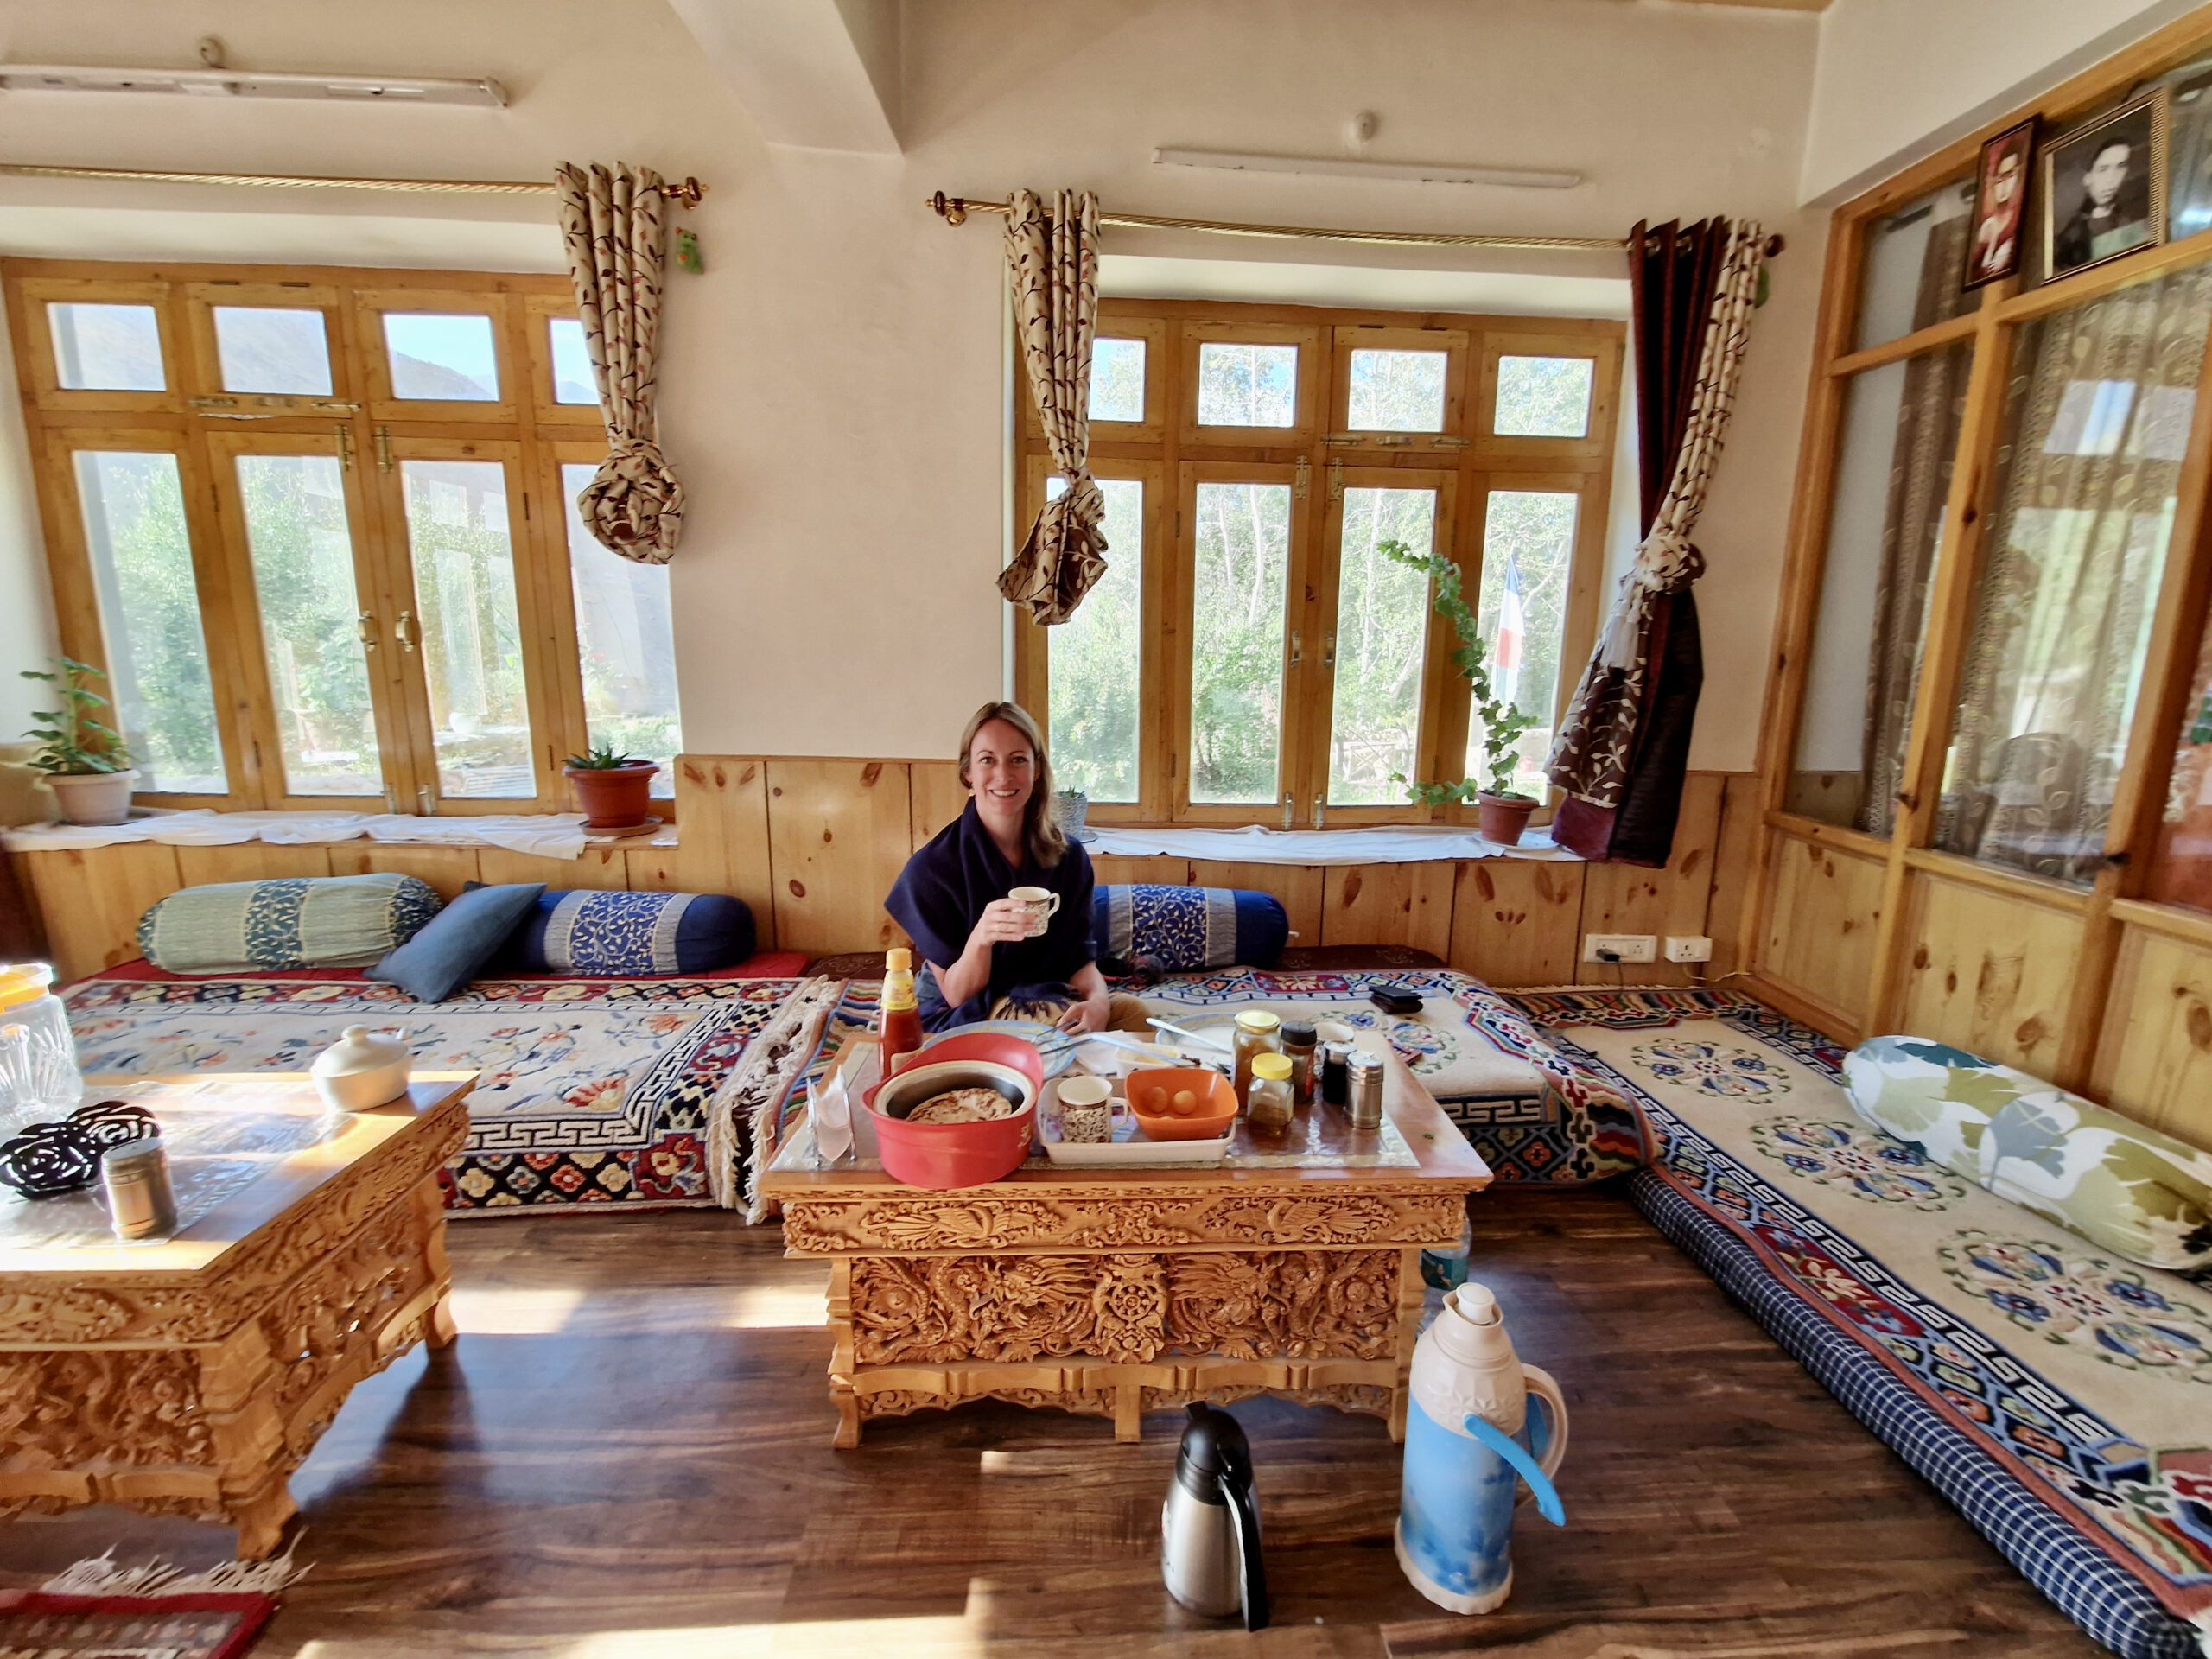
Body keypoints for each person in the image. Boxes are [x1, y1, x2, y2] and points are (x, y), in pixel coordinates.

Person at [886, 701, 1150, 1034]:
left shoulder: (1069, 858)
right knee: (1051, 1021)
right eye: (987, 760)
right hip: (959, 1007)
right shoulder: (932, 869)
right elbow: (957, 993)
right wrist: (981, 938)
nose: (1003, 775)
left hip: (1043, 993)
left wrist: (1097, 1002)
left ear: (1036, 770)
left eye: (1018, 760)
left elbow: (1079, 962)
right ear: (968, 774)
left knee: (1135, 1016)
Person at [2054, 133, 2152, 271]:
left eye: (2120, 167)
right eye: (2103, 169)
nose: (2112, 179)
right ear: (2087, 178)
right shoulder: (2066, 235)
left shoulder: (2139, 222)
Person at [1970, 146, 2025, 279]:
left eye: (2010, 175)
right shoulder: (1986, 222)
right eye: (2000, 178)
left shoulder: (2019, 217)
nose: (2004, 185)